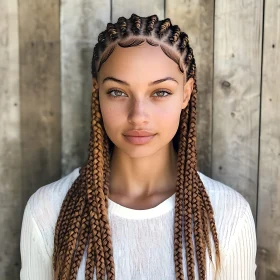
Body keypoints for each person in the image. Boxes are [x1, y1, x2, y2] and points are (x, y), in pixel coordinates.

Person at [20, 13, 257, 280]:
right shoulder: (47, 211)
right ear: (97, 92)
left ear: (186, 94)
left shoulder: (230, 214)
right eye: (118, 92)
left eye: (161, 92)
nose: (138, 115)